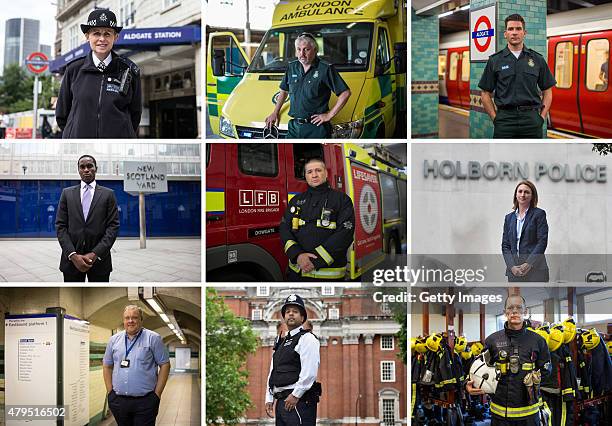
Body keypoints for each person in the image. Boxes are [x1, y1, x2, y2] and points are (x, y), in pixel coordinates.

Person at [56, 9, 141, 138]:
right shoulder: (73, 70)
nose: (102, 39)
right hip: (81, 150)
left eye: (107, 34)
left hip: (116, 151)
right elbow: (62, 114)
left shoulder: (129, 70)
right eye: (96, 33)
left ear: (115, 37)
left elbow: (135, 114)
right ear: (87, 36)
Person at [467, 294, 551, 425]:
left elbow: (546, 371)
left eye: (519, 307)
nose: (515, 311)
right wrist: (469, 383)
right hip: (500, 416)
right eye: (510, 308)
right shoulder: (492, 341)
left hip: (529, 416)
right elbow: (478, 366)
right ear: (505, 312)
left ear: (526, 311)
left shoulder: (538, 341)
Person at [479, 14, 557, 138]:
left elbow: (548, 90)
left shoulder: (537, 59)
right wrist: (496, 119)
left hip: (531, 120)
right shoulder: (495, 60)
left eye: (518, 29)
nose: (514, 33)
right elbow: (485, 93)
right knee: (503, 156)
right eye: (510, 29)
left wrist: (541, 117)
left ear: (524, 33)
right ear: (505, 33)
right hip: (505, 120)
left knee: (532, 156)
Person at [279, 157, 355, 281]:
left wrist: (316, 260)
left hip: (328, 278)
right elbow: (284, 228)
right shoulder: (296, 201)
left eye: (318, 170)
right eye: (309, 172)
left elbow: (345, 233)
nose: (314, 175)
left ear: (326, 173)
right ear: (305, 176)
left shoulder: (342, 199)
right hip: (297, 274)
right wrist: (297, 255)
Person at [265, 33, 351, 138]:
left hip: (316, 128)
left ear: (315, 50)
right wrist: (275, 112)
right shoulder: (292, 67)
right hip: (294, 127)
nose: (302, 54)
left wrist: (329, 115)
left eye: (306, 49)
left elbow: (345, 93)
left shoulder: (325, 69)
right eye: (299, 49)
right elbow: (284, 91)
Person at [103, 305, 170, 426]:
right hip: (119, 401)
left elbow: (165, 364)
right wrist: (110, 392)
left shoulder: (153, 338)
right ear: (123, 320)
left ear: (141, 320)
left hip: (146, 401)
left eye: (134, 317)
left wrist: (157, 394)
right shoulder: (113, 340)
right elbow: (107, 365)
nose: (130, 321)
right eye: (127, 318)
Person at [55, 154, 119, 282]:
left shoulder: (108, 194)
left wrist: (95, 253)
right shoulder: (67, 193)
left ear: (96, 168)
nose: (86, 170)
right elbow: (60, 226)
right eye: (82, 167)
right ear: (78, 170)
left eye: (90, 166)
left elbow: (113, 226)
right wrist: (72, 255)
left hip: (100, 260)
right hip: (72, 261)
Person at [265, 294, 321, 426]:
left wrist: (296, 395)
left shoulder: (307, 339)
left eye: (295, 311)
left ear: (302, 318)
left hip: (298, 401)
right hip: (281, 402)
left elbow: (310, 371)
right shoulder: (281, 343)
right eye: (288, 311)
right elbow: (273, 372)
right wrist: (269, 398)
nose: (291, 314)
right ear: (284, 317)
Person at [501, 180, 549, 282]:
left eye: (527, 192)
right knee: (515, 298)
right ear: (516, 195)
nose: (523, 195)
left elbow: (542, 242)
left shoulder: (539, 214)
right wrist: (512, 267)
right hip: (514, 272)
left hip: (536, 271)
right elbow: (505, 245)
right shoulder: (509, 218)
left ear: (532, 196)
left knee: (536, 298)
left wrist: (529, 264)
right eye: (520, 191)